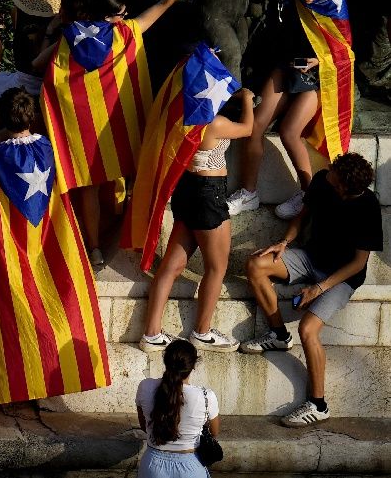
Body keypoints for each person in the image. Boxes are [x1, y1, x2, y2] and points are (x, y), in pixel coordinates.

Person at [241, 152, 380, 427]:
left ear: (344, 190)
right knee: (256, 265)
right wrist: (284, 242)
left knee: (307, 330)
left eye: (334, 177)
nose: (327, 175)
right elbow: (302, 216)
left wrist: (318, 289)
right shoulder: (322, 180)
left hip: (342, 277)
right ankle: (278, 334)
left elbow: (358, 263)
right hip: (310, 258)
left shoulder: (367, 206)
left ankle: (318, 404)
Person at [137, 47, 254, 355]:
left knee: (172, 266)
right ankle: (202, 332)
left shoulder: (183, 118)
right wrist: (247, 101)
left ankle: (151, 334)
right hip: (209, 192)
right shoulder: (213, 124)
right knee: (217, 267)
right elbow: (248, 129)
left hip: (187, 190)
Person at [135, 340, 220, 476]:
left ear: (165, 361)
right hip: (191, 467)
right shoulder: (206, 396)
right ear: (193, 366)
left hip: (152, 466)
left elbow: (144, 426)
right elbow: (214, 432)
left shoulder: (145, 386)